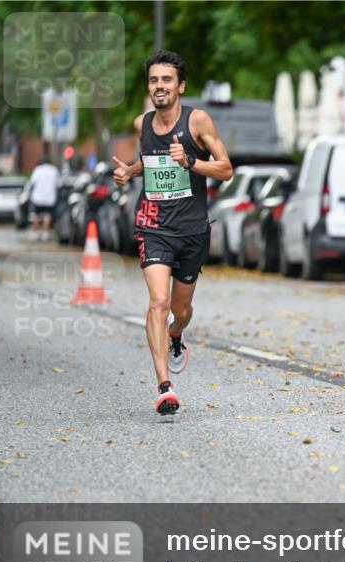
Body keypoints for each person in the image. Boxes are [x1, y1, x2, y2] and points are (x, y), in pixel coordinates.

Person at [112, 50, 232, 415]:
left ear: (180, 86)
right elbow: (148, 162)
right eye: (153, 80)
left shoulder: (198, 122)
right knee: (158, 302)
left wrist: (191, 161)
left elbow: (226, 169)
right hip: (153, 225)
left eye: (166, 80)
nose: (159, 86)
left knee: (180, 310)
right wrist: (129, 173)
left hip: (192, 230)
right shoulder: (142, 124)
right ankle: (165, 387)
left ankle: (176, 335)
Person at [27, 154, 60, 241]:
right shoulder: (54, 170)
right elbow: (57, 184)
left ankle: (35, 233)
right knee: (47, 216)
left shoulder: (38, 170)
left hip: (38, 197)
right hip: (50, 197)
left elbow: (32, 183)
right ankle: (45, 233)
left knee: (36, 215)